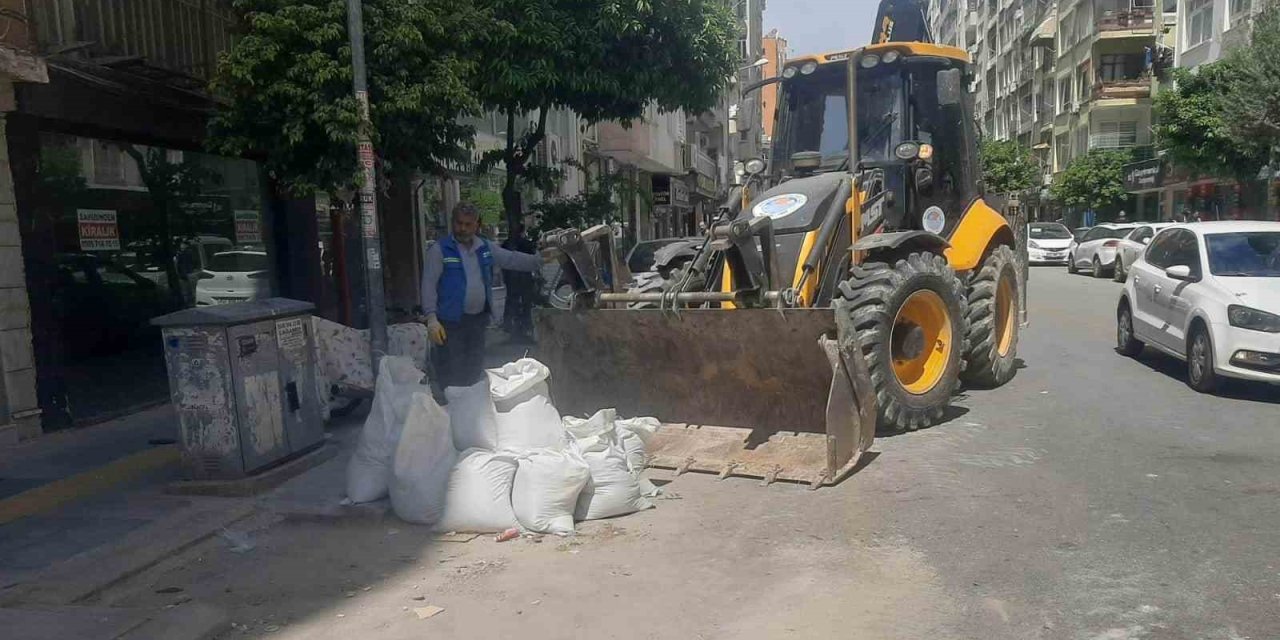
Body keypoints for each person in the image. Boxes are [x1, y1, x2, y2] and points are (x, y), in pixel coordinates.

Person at [421, 202, 543, 388]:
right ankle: (450, 404)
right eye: (459, 223)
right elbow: (428, 285)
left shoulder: (484, 247)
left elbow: (510, 259)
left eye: (468, 224)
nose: (462, 228)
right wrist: (431, 319)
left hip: (477, 320)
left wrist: (539, 260)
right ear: (453, 222)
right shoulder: (440, 250)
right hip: (449, 323)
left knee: (473, 369)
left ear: (477, 225)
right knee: (452, 372)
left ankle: (469, 403)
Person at [501, 222, 537, 343]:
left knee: (511, 301)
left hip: (511, 277)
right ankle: (526, 327)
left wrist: (505, 276)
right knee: (526, 303)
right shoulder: (527, 244)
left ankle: (509, 327)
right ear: (522, 231)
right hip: (524, 277)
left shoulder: (506, 244)